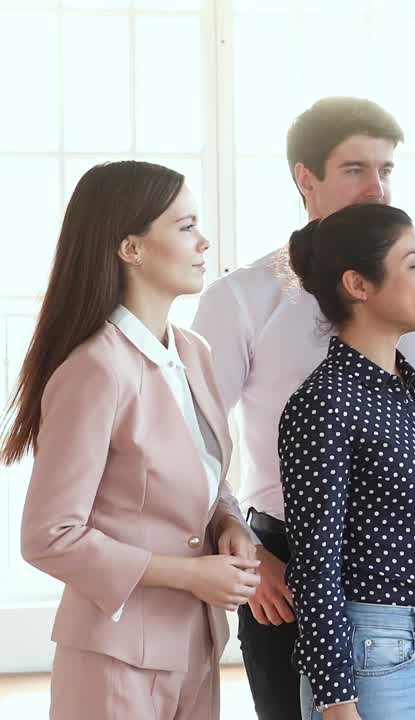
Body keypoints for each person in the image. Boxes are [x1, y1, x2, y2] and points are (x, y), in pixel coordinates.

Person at [191, 97, 415, 720]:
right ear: (307, 179)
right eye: (356, 168)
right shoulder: (243, 298)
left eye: (387, 169)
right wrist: (249, 552)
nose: (376, 187)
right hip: (285, 563)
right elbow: (193, 447)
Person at [3, 160, 260, 720]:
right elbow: (48, 535)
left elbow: (206, 480)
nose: (204, 241)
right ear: (132, 249)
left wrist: (229, 524)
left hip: (195, 646)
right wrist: (189, 574)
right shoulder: (96, 368)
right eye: (186, 226)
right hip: (112, 657)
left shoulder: (194, 352)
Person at [281, 202, 415, 720]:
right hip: (372, 654)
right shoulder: (324, 401)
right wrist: (335, 699)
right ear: (359, 284)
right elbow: (314, 567)